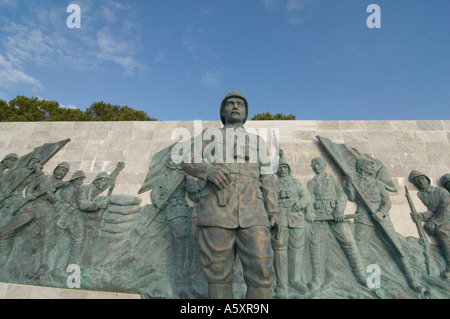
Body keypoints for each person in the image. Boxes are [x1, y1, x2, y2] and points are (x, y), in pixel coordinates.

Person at [181, 91, 280, 299]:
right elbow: (188, 160)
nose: (235, 106)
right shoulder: (209, 135)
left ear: (245, 113)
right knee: (217, 273)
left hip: (253, 210)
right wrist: (208, 171)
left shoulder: (258, 141)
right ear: (222, 111)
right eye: (230, 104)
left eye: (240, 105)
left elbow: (268, 177)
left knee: (262, 268)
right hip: (217, 209)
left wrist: (273, 210)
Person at [345, 158, 427, 294]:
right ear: (362, 168)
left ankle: (413, 281)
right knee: (359, 246)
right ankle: (361, 278)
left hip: (382, 219)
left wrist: (381, 213)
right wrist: (348, 183)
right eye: (369, 166)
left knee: (396, 248)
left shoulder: (378, 183)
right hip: (363, 218)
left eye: (373, 166)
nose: (372, 168)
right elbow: (352, 197)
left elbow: (387, 202)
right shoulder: (355, 182)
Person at [0, 162, 70, 278]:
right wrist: (29, 194)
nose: (61, 173)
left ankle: (43, 265)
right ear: (55, 169)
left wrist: (50, 195)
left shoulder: (62, 186)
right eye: (60, 169)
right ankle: (3, 259)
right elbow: (31, 187)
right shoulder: (43, 178)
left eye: (64, 171)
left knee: (46, 237)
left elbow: (57, 202)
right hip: (31, 207)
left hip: (46, 211)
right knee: (5, 232)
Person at [306, 157, 366, 292]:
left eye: (318, 163)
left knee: (349, 243)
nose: (316, 166)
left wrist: (339, 209)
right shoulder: (310, 183)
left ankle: (360, 275)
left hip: (335, 216)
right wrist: (310, 212)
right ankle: (317, 278)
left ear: (323, 165)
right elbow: (309, 199)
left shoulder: (332, 180)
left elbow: (342, 196)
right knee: (315, 246)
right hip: (319, 217)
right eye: (313, 164)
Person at [272, 151, 311, 297]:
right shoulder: (272, 184)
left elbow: (307, 197)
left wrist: (300, 204)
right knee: (280, 249)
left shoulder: (296, 183)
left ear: (288, 169)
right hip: (280, 219)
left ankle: (296, 280)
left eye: (284, 167)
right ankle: (282, 283)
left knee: (296, 249)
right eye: (280, 167)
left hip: (296, 218)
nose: (282, 170)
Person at [151, 158, 191, 289]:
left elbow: (192, 190)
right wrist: (157, 201)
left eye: (176, 161)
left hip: (178, 208)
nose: (174, 163)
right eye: (171, 161)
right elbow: (154, 191)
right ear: (167, 163)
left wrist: (189, 175)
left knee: (180, 238)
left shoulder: (183, 176)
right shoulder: (161, 178)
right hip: (163, 211)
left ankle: (179, 270)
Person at [76, 162, 124, 266]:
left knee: (91, 240)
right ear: (96, 181)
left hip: (88, 220)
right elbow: (82, 205)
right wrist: (98, 205)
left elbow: (110, 180)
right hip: (73, 217)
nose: (105, 183)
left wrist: (117, 170)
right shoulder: (84, 188)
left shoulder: (96, 189)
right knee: (80, 241)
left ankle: (85, 263)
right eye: (103, 181)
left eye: (106, 181)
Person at [409, 170, 450, 279]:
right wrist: (421, 216)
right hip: (441, 217)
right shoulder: (421, 194)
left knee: (441, 230)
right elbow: (433, 210)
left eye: (422, 178)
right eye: (417, 180)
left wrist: (433, 221)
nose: (420, 181)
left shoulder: (441, 191)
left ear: (427, 179)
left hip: (447, 216)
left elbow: (445, 208)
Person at [54, 170, 87, 270]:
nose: (81, 182)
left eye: (82, 180)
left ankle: (70, 266)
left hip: (74, 217)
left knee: (79, 241)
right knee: (55, 241)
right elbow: (60, 200)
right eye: (80, 179)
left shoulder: (79, 189)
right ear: (75, 179)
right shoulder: (66, 189)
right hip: (63, 217)